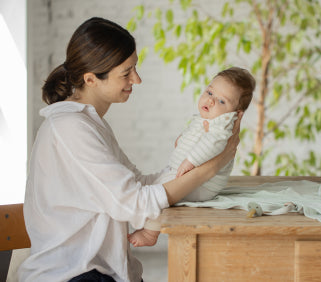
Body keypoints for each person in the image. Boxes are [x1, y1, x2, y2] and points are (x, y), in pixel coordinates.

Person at [18, 17, 242, 282]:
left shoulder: (88, 123)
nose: (137, 79)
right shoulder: (70, 129)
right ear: (91, 79)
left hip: (98, 271)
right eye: (126, 72)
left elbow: (138, 185)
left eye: (134, 68)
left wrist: (197, 157)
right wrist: (212, 166)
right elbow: (137, 203)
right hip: (74, 275)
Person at [128, 67, 256, 247]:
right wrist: (182, 139)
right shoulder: (209, 118)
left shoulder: (223, 125)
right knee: (155, 183)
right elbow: (196, 132)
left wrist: (191, 161)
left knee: (161, 190)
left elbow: (213, 144)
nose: (210, 100)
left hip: (203, 185)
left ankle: (151, 232)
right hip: (188, 174)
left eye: (221, 101)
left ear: (236, 114)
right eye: (210, 92)